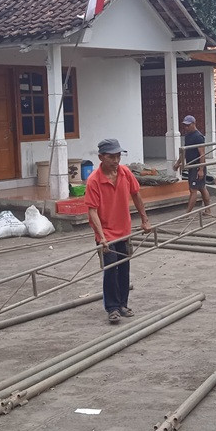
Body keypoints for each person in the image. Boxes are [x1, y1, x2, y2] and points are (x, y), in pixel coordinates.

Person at [85, 139, 153, 324]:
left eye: (118, 156)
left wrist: (145, 220)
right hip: (106, 232)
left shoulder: (125, 173)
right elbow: (92, 210)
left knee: (124, 267)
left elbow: (136, 194)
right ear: (101, 157)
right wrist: (102, 237)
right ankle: (112, 308)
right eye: (111, 157)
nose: (116, 160)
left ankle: (123, 304)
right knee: (110, 269)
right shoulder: (94, 181)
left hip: (124, 229)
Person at [174, 115, 211, 214]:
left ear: (194, 124)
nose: (186, 127)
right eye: (185, 125)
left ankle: (187, 213)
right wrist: (178, 163)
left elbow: (202, 154)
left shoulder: (198, 137)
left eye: (188, 125)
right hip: (191, 166)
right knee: (202, 188)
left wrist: (201, 169)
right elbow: (184, 152)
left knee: (193, 189)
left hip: (197, 166)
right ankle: (208, 210)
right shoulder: (187, 136)